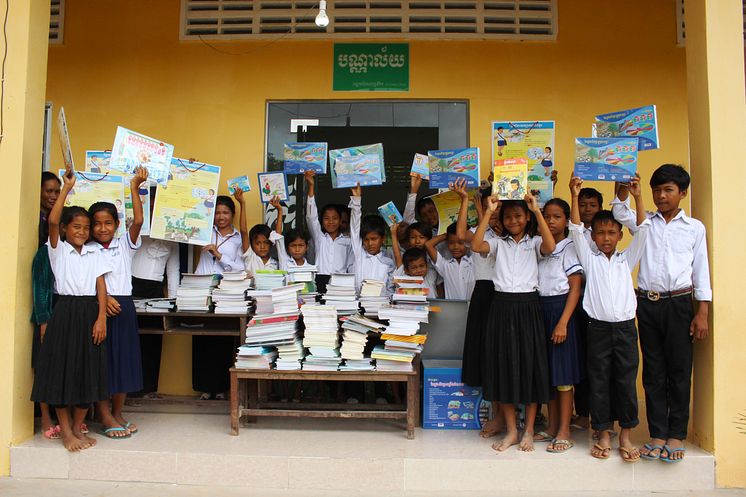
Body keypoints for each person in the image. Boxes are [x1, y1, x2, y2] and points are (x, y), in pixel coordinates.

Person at [611, 165, 711, 463]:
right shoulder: (644, 221)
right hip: (647, 304)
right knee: (653, 371)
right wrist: (621, 178)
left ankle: (676, 434)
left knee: (679, 371)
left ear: (682, 193)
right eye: (656, 190)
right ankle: (657, 433)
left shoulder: (694, 227)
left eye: (668, 190)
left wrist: (702, 311)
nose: (661, 196)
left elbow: (700, 269)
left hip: (680, 304)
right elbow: (619, 210)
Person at [569, 175, 649, 462]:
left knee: (625, 382)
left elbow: (642, 231)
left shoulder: (626, 260)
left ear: (619, 235)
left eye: (611, 233)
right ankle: (602, 433)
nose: (605, 238)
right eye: (600, 233)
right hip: (598, 329)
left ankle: (625, 435)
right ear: (594, 236)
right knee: (599, 380)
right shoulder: (589, 258)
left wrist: (638, 197)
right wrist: (572, 192)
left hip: (626, 329)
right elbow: (576, 229)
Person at [31, 165, 110, 452]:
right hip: (64, 311)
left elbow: (101, 286)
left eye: (86, 228)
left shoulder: (94, 252)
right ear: (65, 229)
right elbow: (52, 221)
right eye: (76, 227)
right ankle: (65, 431)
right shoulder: (58, 249)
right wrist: (66, 188)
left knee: (88, 371)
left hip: (90, 312)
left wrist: (101, 317)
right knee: (63, 371)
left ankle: (78, 427)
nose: (82, 232)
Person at [471, 194, 556, 453]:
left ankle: (528, 430)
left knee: (530, 369)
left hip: (529, 307)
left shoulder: (536, 242)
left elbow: (551, 247)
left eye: (519, 216)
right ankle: (511, 431)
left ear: (527, 217)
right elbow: (476, 246)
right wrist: (488, 211)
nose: (513, 220)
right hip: (501, 307)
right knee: (502, 369)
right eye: (508, 217)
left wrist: (537, 210)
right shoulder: (498, 244)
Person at [87, 166, 149, 438]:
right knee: (102, 363)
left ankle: (118, 411)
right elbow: (83, 280)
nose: (103, 228)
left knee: (124, 362)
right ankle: (103, 414)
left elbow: (137, 221)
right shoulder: (85, 248)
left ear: (116, 225)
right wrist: (105, 297)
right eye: (97, 223)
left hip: (124, 307)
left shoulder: (124, 243)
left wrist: (134, 188)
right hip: (97, 308)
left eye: (108, 223)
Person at [455, 183, 504, 438]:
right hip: (484, 295)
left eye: (496, 206)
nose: (493, 211)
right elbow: (462, 233)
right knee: (487, 353)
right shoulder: (480, 233)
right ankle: (496, 414)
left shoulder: (512, 233)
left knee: (504, 355)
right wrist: (464, 200)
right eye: (487, 207)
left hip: (509, 295)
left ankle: (516, 413)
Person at [536, 198, 584, 453]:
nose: (551, 221)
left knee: (563, 376)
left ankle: (565, 429)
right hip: (540, 310)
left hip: (560, 311)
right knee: (549, 374)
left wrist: (563, 322)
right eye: (547, 216)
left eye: (556, 217)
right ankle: (553, 426)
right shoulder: (541, 246)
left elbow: (575, 288)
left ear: (566, 220)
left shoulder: (569, 248)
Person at [193, 195, 244, 400]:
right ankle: (204, 387)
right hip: (200, 289)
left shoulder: (239, 238)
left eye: (225, 213)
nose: (220, 217)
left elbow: (241, 267)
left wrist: (219, 255)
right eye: (217, 213)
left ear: (232, 215)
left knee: (223, 339)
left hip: (226, 292)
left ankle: (221, 388)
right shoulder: (202, 230)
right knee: (202, 338)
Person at [131, 187, 180, 399]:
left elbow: (173, 269)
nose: (154, 207)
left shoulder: (173, 234)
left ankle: (149, 388)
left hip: (155, 290)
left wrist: (174, 300)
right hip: (130, 286)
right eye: (150, 203)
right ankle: (129, 390)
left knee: (153, 339)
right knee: (131, 339)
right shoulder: (135, 228)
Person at [570, 183, 604, 433]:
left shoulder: (605, 231)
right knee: (580, 358)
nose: (587, 209)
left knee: (599, 362)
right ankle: (582, 413)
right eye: (582, 205)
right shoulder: (573, 232)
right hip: (575, 303)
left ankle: (603, 417)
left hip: (602, 305)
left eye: (592, 205)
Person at [33, 171, 62, 439]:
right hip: (46, 304)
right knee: (44, 361)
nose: (52, 196)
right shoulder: (37, 224)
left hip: (64, 302)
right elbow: (40, 281)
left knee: (62, 362)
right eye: (48, 191)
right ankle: (45, 417)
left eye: (57, 191)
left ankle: (62, 415)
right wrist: (43, 317)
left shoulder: (63, 227)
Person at [304, 171, 352, 294]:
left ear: (341, 221)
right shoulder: (319, 238)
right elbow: (311, 217)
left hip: (341, 281)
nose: (331, 222)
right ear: (321, 221)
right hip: (320, 280)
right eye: (326, 218)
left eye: (335, 218)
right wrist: (311, 187)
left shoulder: (348, 241)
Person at [348, 184, 396, 294]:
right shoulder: (359, 255)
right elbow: (355, 228)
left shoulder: (388, 263)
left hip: (381, 307)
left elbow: (391, 290)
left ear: (383, 239)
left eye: (374, 239)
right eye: (366, 239)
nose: (370, 243)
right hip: (359, 305)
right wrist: (356, 200)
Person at [236, 189, 278, 276]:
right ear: (251, 244)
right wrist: (242, 204)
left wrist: (280, 210)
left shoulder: (276, 263)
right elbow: (243, 231)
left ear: (271, 243)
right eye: (258, 243)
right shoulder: (250, 257)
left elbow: (278, 236)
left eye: (266, 242)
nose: (262, 247)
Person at [389, 225, 439, 296]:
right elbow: (397, 255)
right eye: (414, 267)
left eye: (421, 266)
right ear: (406, 270)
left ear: (427, 265)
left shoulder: (431, 272)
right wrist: (393, 234)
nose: (419, 270)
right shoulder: (403, 272)